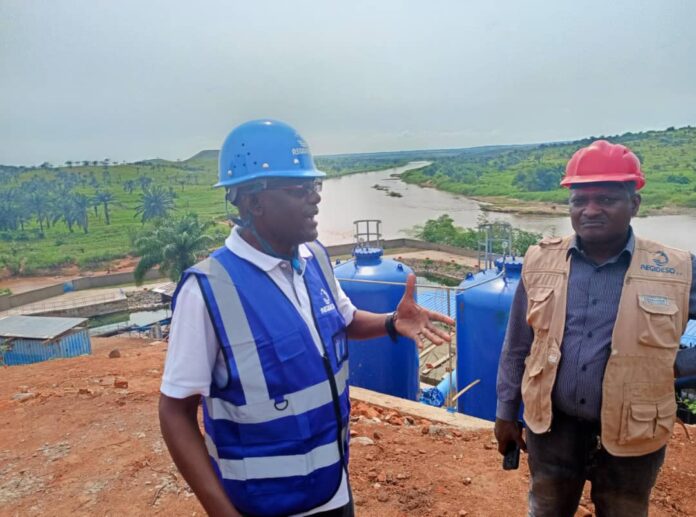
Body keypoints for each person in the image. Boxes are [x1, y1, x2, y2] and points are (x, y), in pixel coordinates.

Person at [159, 119, 454, 517]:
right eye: (299, 190)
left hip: (333, 488)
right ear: (252, 202)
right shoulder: (209, 290)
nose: (314, 199)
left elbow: (343, 321)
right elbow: (175, 412)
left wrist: (390, 322)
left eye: (316, 187)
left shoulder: (313, 257)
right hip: (262, 505)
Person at [495, 139, 696, 517]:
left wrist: (676, 368)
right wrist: (506, 411)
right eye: (579, 200)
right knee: (546, 509)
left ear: (634, 204)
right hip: (553, 428)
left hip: (635, 433)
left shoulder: (677, 269)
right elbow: (518, 345)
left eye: (606, 199)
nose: (590, 210)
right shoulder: (541, 260)